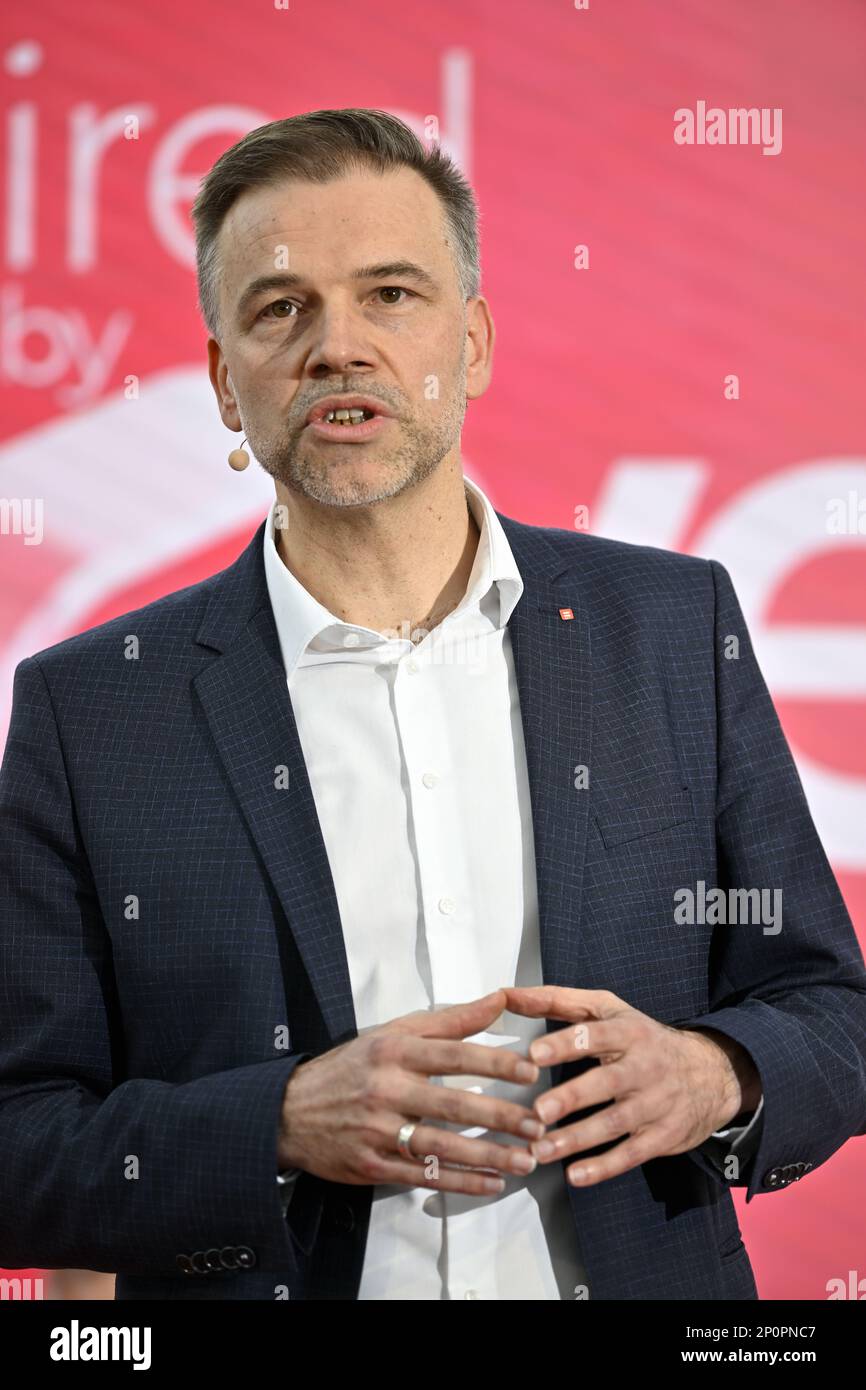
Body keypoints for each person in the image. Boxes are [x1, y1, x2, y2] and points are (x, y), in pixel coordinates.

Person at [1, 108, 864, 1301]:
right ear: (220, 381)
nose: (336, 347)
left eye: (390, 295)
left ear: (472, 345)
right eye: (279, 308)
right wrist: (280, 1121)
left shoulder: (671, 629)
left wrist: (712, 1075)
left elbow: (829, 1011)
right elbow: (21, 1143)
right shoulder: (89, 709)